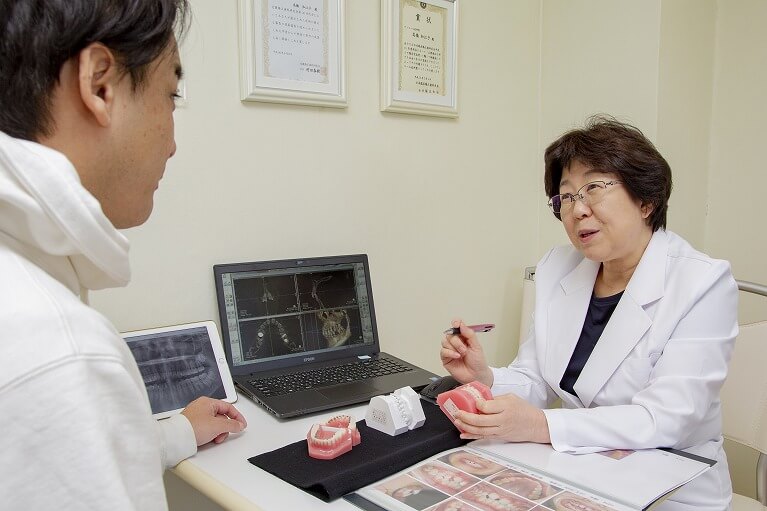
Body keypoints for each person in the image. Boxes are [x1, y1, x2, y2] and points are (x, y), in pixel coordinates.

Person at [0, 1, 247, 509]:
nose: (173, 145)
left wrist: (171, 432)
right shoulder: (60, 352)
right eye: (170, 95)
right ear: (99, 85)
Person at [441, 116, 738, 510]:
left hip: (671, 488)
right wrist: (485, 376)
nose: (577, 210)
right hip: (580, 472)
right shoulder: (557, 268)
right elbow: (537, 380)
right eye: (566, 197)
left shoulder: (703, 283)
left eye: (593, 189)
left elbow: (665, 419)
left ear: (646, 200)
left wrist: (541, 425)